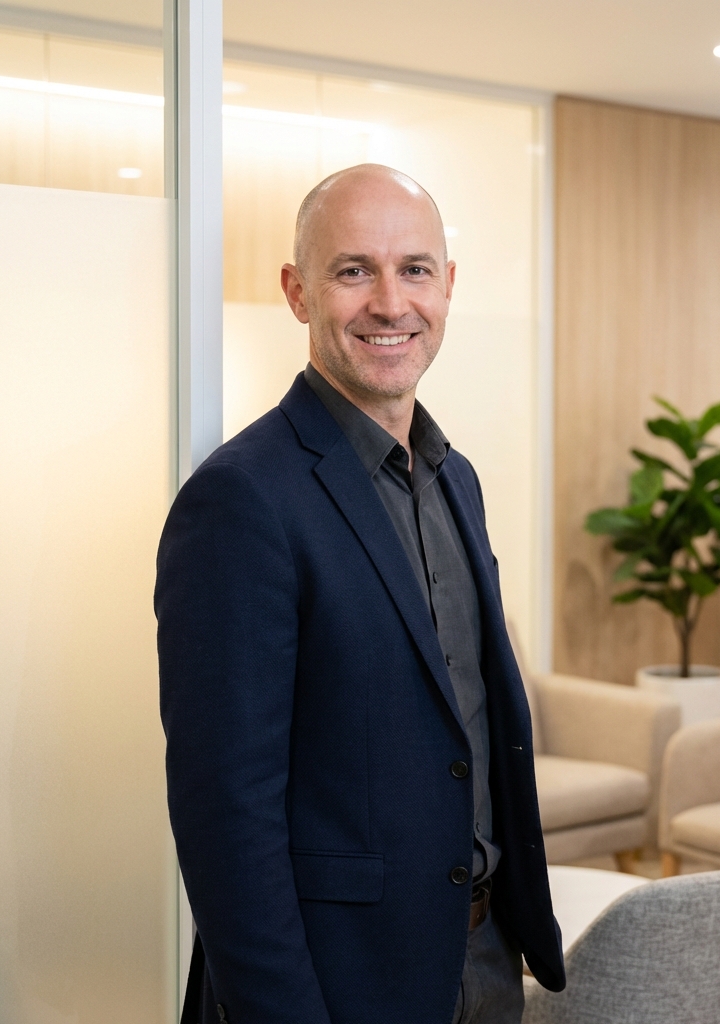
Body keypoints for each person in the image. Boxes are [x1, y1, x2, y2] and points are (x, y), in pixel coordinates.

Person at [155, 164, 565, 1024]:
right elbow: (226, 815)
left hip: (485, 962)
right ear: (297, 292)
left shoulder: (455, 479)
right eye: (353, 270)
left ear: (448, 287)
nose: (390, 302)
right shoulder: (242, 499)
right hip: (338, 985)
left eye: (415, 269)